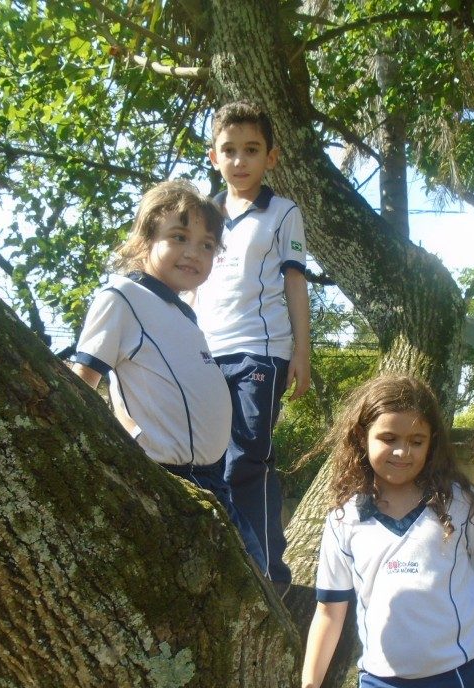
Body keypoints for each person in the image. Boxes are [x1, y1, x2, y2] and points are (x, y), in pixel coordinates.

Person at [301, 375, 474, 688]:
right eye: (388, 438)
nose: (402, 451)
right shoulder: (344, 518)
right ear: (361, 437)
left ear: (432, 443)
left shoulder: (462, 505)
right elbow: (330, 611)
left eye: (416, 441)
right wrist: (309, 683)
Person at [69, 179, 266, 572]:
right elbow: (81, 385)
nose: (193, 253)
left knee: (256, 577)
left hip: (213, 481)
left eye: (207, 245)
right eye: (179, 237)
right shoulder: (121, 298)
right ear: (145, 240)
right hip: (169, 481)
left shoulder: (185, 315)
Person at [193, 100, 312, 594]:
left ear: (272, 157)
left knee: (246, 457)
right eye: (229, 150)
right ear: (213, 156)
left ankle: (269, 573)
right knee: (203, 462)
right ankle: (225, 568)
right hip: (203, 353)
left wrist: (302, 353)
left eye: (252, 150)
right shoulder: (202, 216)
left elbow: (296, 284)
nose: (240, 160)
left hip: (260, 353)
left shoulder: (284, 213)